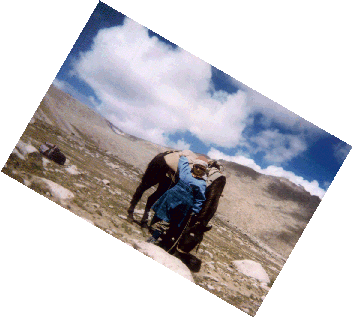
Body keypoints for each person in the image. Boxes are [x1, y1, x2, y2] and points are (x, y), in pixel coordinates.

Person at [146, 155, 208, 244]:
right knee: (160, 214)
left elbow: (200, 198)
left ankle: (155, 237)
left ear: (204, 170)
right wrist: (183, 157)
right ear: (193, 166)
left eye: (201, 168)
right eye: (197, 166)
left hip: (182, 206)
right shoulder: (186, 171)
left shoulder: (202, 184)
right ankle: (152, 230)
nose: (198, 169)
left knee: (167, 221)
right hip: (170, 198)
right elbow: (182, 164)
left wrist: (195, 210)